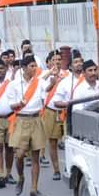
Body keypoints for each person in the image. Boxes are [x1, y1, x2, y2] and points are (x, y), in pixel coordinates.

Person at [7, 54, 47, 196]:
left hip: (36, 119)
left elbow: (46, 92)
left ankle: (34, 189)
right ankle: (21, 177)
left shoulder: (40, 82)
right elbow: (11, 105)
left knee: (36, 156)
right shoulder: (14, 85)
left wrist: (54, 81)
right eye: (31, 66)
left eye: (35, 66)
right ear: (23, 68)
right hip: (21, 120)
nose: (34, 68)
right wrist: (20, 104)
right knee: (19, 154)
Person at [40, 51, 67, 179]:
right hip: (51, 111)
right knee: (52, 142)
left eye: (59, 59)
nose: (57, 62)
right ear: (49, 62)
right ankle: (56, 170)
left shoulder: (68, 75)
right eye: (54, 59)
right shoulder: (44, 75)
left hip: (65, 112)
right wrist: (52, 76)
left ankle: (69, 168)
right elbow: (41, 85)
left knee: (69, 142)